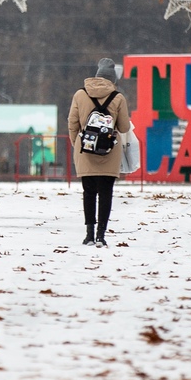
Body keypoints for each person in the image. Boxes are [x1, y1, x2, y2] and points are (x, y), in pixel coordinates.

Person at [67, 58, 132, 247]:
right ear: (112, 79)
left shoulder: (80, 94)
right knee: (106, 193)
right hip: (109, 151)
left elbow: (72, 122)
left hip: (85, 149)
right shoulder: (118, 97)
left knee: (88, 192)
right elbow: (124, 127)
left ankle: (88, 234)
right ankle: (101, 235)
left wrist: (77, 143)